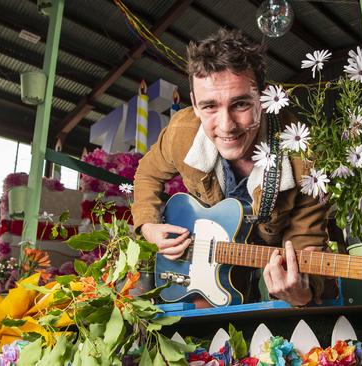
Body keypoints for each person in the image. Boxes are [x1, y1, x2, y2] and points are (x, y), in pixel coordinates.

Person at [132, 28, 328, 307]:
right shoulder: (181, 132)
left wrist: (302, 292)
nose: (226, 126)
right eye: (209, 106)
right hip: (205, 266)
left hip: (265, 260)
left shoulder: (304, 159)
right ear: (195, 105)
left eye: (240, 104)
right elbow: (147, 174)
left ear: (262, 98)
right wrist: (149, 225)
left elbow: (306, 247)